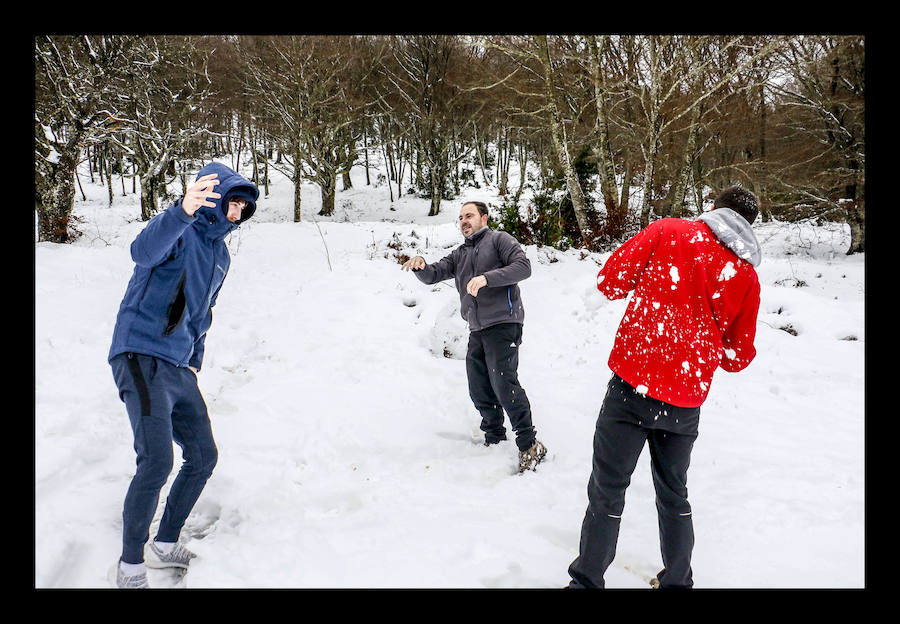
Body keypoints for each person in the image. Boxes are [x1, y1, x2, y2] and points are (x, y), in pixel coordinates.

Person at [567, 185, 762, 589]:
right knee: (674, 494)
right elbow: (738, 355)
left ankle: (586, 582)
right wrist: (704, 347)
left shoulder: (669, 231)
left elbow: (611, 281)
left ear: (712, 209)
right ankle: (677, 581)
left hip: (631, 385)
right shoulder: (745, 276)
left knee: (607, 489)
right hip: (685, 400)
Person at [108, 162, 259, 588]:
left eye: (243, 209)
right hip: (141, 353)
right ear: (212, 197)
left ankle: (165, 542)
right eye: (232, 202)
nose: (236, 214)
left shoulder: (221, 255)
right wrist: (181, 211)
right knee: (157, 460)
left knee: (203, 455)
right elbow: (142, 253)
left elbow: (202, 311)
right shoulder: (180, 229)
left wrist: (195, 358)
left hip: (179, 366)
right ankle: (129, 565)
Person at [401, 201, 547, 473]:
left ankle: (529, 444)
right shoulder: (460, 254)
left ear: (484, 217)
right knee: (478, 386)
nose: (463, 221)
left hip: (504, 323)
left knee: (504, 383)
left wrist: (487, 278)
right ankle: (494, 437)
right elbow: (434, 274)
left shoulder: (499, 240)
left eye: (469, 215)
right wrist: (421, 266)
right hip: (477, 328)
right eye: (460, 218)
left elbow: (523, 267)